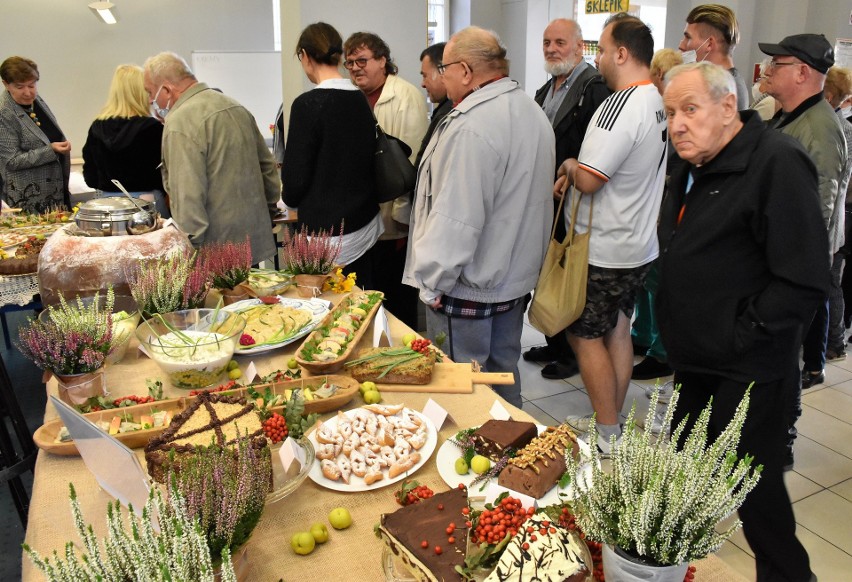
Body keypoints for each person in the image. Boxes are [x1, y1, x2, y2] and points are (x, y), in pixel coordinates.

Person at [657, 61, 824, 582]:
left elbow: (803, 280)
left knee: (755, 491)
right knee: (681, 473)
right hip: (699, 359)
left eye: (689, 109)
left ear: (728, 107)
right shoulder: (696, 162)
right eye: (669, 113)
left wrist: (740, 333)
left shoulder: (777, 162)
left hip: (747, 365)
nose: (677, 124)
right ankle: (663, 568)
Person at [402, 26, 554, 409]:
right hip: (512, 281)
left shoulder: (472, 125)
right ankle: (512, 455)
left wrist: (433, 282)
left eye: (444, 68)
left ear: (466, 71)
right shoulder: (531, 111)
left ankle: (472, 462)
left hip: (468, 285)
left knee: (463, 385)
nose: (440, 77)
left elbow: (458, 218)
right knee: (504, 371)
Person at [555, 13, 666, 451]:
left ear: (622, 53)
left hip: (604, 247)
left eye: (600, 49)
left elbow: (589, 179)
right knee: (618, 329)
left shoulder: (620, 104)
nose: (596, 58)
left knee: (583, 335)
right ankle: (610, 418)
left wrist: (567, 165)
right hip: (637, 244)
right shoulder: (655, 97)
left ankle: (607, 434)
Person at [760, 34, 847, 473]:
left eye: (778, 62)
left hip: (792, 273)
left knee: (785, 358)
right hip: (771, 266)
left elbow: (819, 212)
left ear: (803, 72)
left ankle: (782, 439)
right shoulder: (788, 117)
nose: (768, 69)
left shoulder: (821, 129)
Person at [524, 18, 610, 381]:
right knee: (546, 269)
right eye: (546, 42)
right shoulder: (547, 88)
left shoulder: (594, 87)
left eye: (560, 42)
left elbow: (596, 150)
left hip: (573, 197)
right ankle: (554, 340)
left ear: (580, 48)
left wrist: (570, 175)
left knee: (565, 272)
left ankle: (571, 353)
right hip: (546, 197)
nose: (551, 49)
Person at [143, 52, 280, 265]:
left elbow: (188, 195)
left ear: (167, 89)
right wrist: (269, 213)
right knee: (248, 297)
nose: (151, 100)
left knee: (222, 300)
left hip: (214, 250)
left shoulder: (180, 122)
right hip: (253, 240)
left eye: (150, 92)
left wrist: (189, 253)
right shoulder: (236, 106)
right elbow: (268, 169)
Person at [282, 22, 382, 289]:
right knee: (362, 304)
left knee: (327, 311)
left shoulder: (307, 105)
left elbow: (294, 181)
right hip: (363, 224)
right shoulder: (360, 98)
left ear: (305, 55)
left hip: (324, 236)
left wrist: (288, 199)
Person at [344, 32, 427, 329]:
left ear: (383, 61)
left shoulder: (405, 96)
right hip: (364, 220)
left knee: (398, 303)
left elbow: (411, 165)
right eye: (350, 62)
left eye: (362, 60)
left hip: (395, 223)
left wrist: (403, 218)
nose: (355, 68)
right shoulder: (352, 98)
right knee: (371, 301)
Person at [630, 47, 683, 383]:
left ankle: (662, 351)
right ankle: (644, 335)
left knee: (660, 283)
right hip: (655, 207)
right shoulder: (658, 110)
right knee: (647, 281)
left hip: (668, 211)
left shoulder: (673, 116)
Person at [82, 64, 169, 219]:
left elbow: (90, 177)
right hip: (147, 203)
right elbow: (167, 174)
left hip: (106, 205)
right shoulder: (154, 129)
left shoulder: (96, 127)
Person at [0, 56, 70, 212]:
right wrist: (51, 150)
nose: (27, 92)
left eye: (32, 85)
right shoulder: (4, 112)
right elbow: (11, 161)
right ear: (6, 84)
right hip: (27, 200)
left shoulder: (36, 100)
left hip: (54, 192)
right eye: (20, 87)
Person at [824, 66, 852, 357]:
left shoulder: (841, 129)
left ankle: (834, 342)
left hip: (833, 223)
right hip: (836, 220)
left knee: (830, 285)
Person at [678, 4, 750, 109]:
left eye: (688, 37)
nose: (681, 45)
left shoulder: (723, 89)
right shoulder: (724, 83)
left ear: (709, 44)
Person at [415, 42, 452, 169]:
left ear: (444, 72)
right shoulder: (446, 108)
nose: (423, 84)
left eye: (425, 76)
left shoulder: (448, 114)